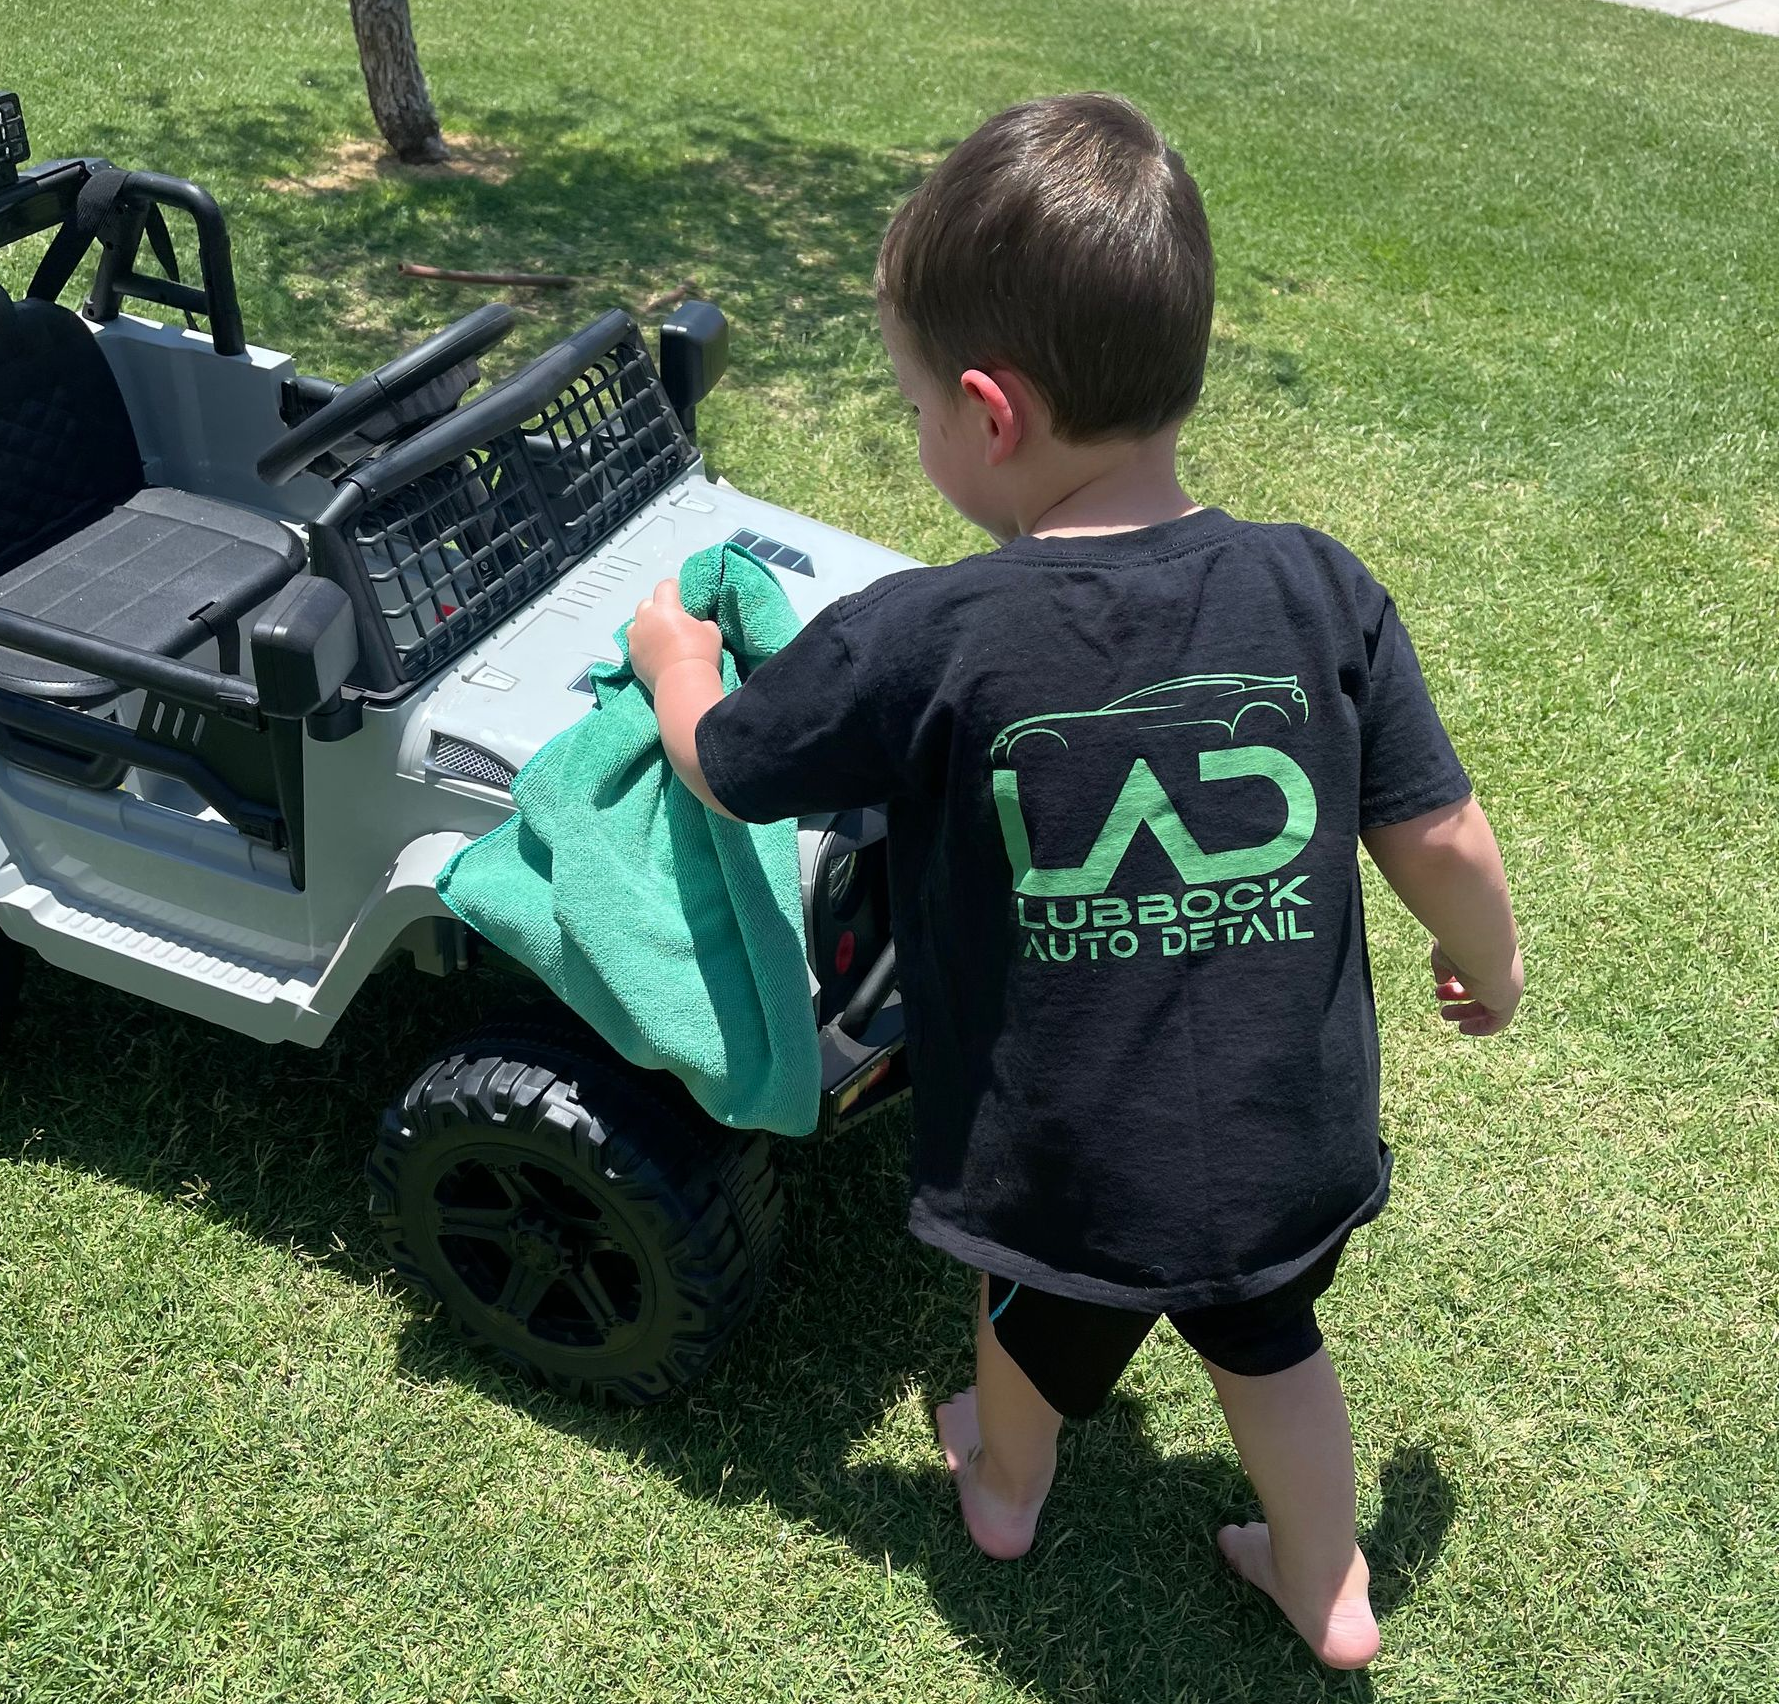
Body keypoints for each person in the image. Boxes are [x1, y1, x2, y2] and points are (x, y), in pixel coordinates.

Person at [625, 92, 1521, 1671]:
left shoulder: (931, 636)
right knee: (1272, 1341)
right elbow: (1438, 831)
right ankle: (1328, 1583)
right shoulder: (1321, 587)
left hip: (1059, 1161)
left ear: (988, 413)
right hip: (1282, 1139)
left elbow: (738, 764)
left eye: (911, 408)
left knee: (1032, 1328)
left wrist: (675, 660)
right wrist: (1487, 968)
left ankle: (1006, 1488)